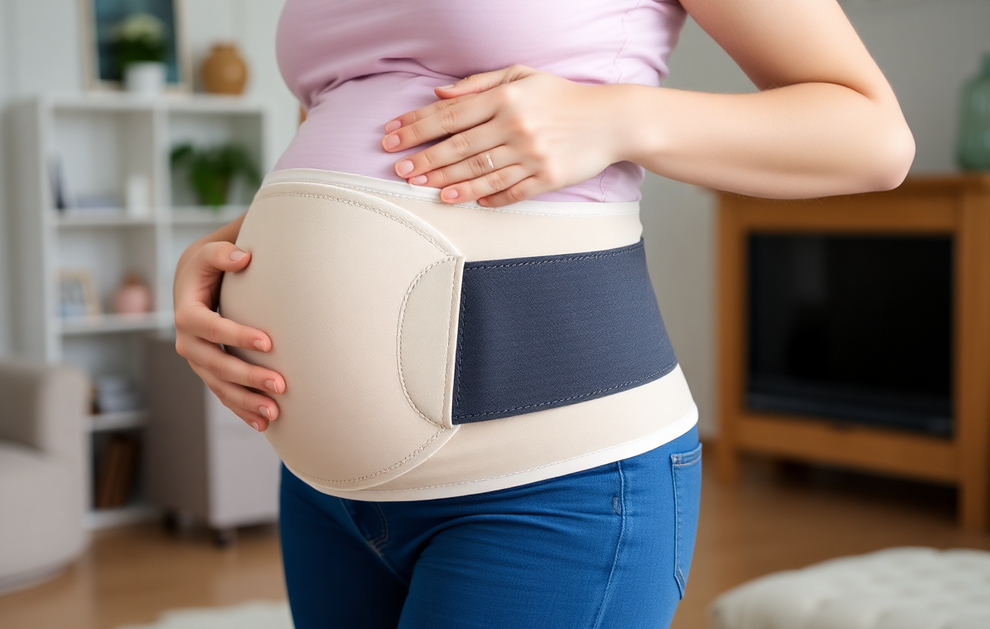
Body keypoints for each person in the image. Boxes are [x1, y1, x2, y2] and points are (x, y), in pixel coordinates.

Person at [172, 0, 914, 627]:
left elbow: (874, 138)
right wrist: (240, 250)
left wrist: (614, 119)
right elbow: (350, 128)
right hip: (324, 490)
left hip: (551, 483)